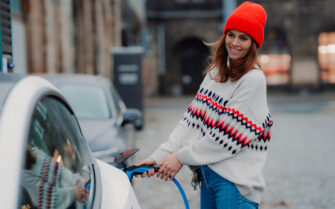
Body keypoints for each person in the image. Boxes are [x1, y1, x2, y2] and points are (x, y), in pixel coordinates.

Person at [136, 2, 273, 209]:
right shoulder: (215, 74)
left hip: (234, 185)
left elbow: (225, 138)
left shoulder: (253, 79)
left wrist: (179, 158)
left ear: (253, 44)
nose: (235, 43)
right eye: (231, 35)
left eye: (243, 38)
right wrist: (157, 157)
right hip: (208, 177)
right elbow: (189, 124)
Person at [22, 146, 89, 209]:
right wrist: (73, 192)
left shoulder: (35, 152)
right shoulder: (22, 176)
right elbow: (46, 198)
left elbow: (60, 171)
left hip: (76, 198)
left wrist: (79, 181)